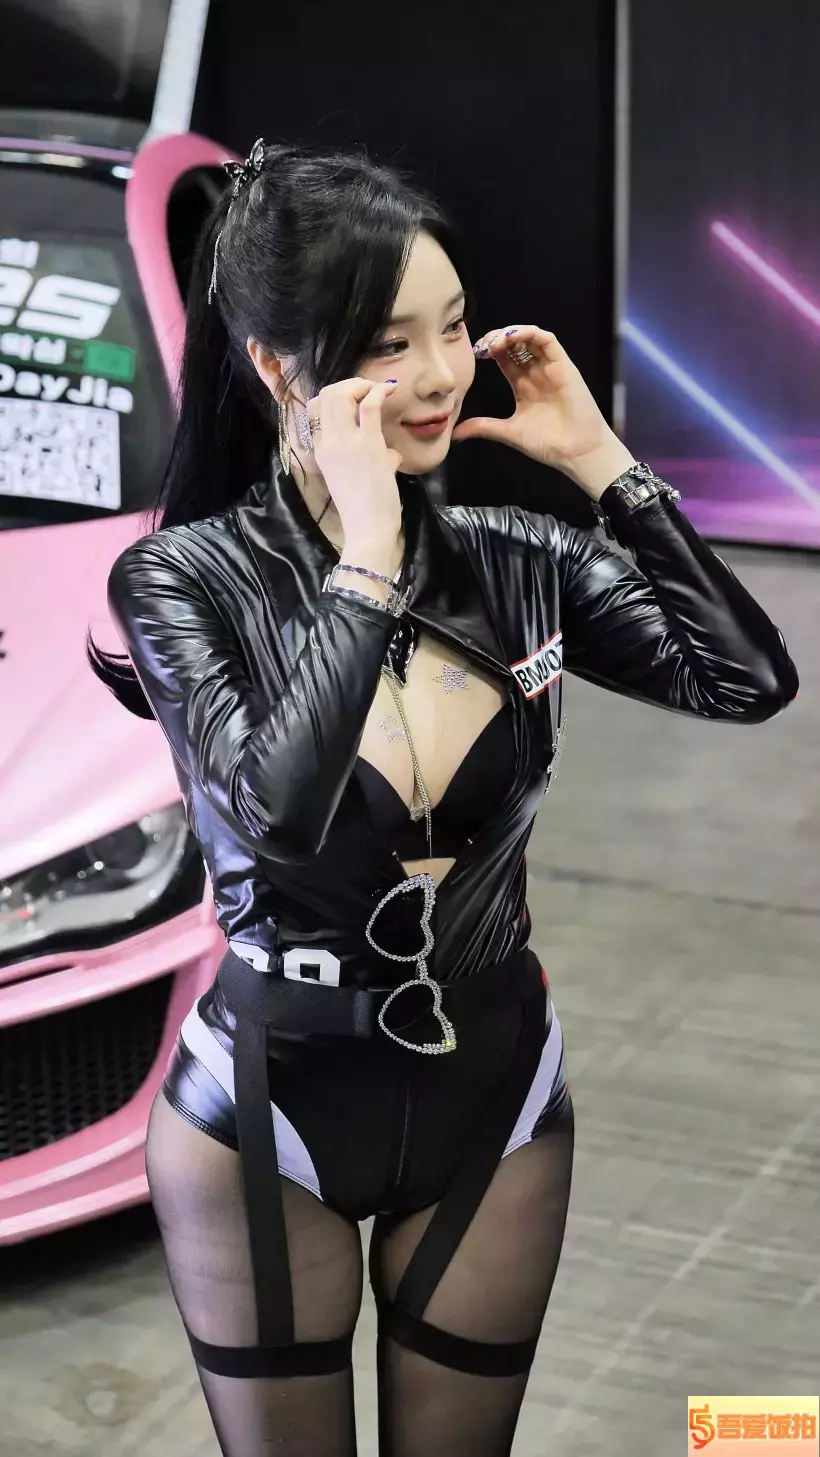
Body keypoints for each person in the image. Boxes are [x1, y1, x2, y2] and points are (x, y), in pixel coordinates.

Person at [88, 138, 798, 1457]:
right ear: (279, 370)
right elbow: (275, 814)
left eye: (455, 326)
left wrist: (607, 469)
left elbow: (745, 681)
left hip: (499, 1092)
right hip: (268, 1106)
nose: (439, 373)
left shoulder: (519, 560)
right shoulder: (182, 581)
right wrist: (365, 557)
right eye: (387, 344)